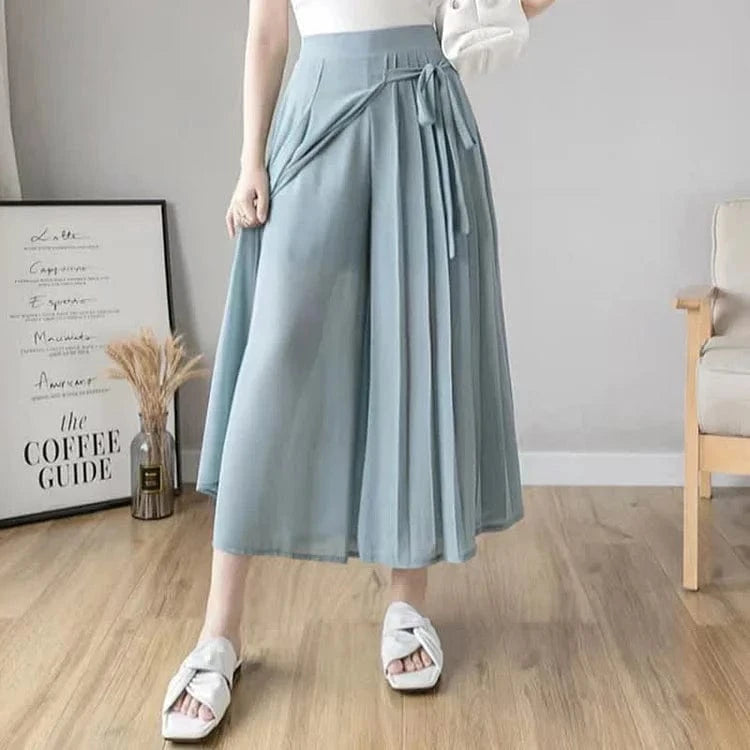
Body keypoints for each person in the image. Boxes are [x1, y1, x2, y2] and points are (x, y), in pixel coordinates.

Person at [161, 0, 556, 742]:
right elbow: (268, 32)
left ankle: (408, 601)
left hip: (423, 116)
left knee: (415, 349)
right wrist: (250, 160)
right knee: (273, 355)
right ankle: (219, 632)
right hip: (317, 107)